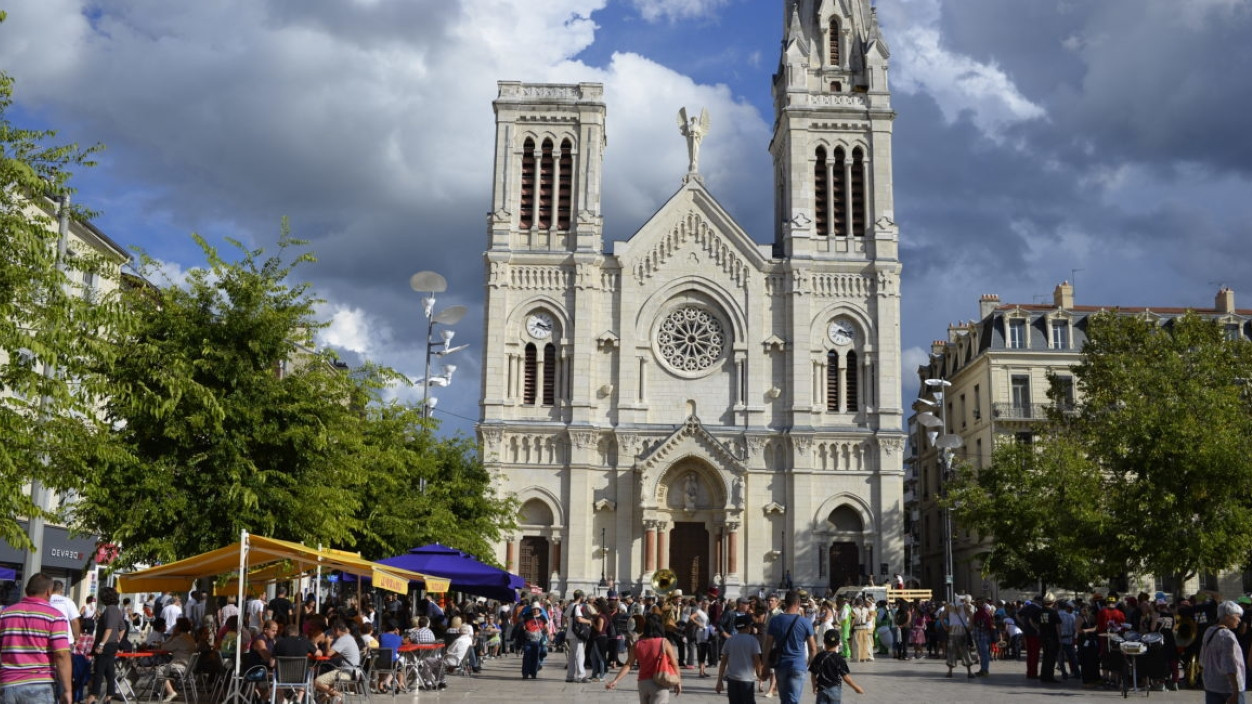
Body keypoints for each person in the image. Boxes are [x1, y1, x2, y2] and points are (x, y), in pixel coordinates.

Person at [0, 573, 73, 704]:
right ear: (49, 592)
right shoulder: (55, 616)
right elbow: (62, 654)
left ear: (27, 590)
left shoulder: (5, 614)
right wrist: (67, 690)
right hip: (39, 685)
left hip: (7, 685)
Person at [605, 614, 681, 703]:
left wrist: (615, 680)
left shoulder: (637, 644)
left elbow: (628, 665)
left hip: (643, 683)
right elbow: (674, 664)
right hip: (660, 682)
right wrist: (678, 681)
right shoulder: (664, 642)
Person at [762, 590, 818, 704]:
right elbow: (813, 648)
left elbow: (767, 645)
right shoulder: (805, 622)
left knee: (785, 700)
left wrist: (765, 665)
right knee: (793, 700)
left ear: (784, 603)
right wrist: (815, 670)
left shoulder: (775, 621)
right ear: (798, 603)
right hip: (798, 665)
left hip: (781, 665)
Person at [83, 587, 125, 704]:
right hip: (112, 645)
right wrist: (118, 639)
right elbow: (123, 628)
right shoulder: (116, 610)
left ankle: (93, 695)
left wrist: (101, 644)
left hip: (105, 645)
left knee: (99, 670)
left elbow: (109, 628)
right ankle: (109, 695)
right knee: (109, 671)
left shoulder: (110, 610)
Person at [1200, 600, 1245, 704]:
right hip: (1228, 688)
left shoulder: (1209, 631)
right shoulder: (1227, 636)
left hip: (1211, 685)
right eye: (1237, 616)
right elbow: (1229, 665)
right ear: (1227, 616)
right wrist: (1235, 692)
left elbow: (1202, 660)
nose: (1239, 620)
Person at [714, 613, 762, 704]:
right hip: (747, 679)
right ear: (748, 627)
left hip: (732, 679)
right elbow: (757, 661)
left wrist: (719, 681)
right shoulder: (753, 641)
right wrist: (760, 675)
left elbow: (723, 663)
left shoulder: (730, 640)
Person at [809, 629, 864, 704]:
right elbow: (846, 677)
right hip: (835, 689)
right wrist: (856, 687)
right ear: (838, 643)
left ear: (824, 642)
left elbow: (813, 674)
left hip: (821, 689)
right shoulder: (839, 659)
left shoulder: (819, 656)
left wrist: (814, 686)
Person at [313, 619, 360, 703]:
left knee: (316, 682)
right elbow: (333, 655)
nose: (332, 634)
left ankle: (339, 695)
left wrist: (328, 642)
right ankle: (321, 700)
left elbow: (328, 654)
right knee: (327, 686)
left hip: (346, 672)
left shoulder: (343, 639)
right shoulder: (349, 638)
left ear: (337, 630)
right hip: (354, 672)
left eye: (332, 631)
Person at [942, 596, 975, 679]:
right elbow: (971, 615)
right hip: (962, 630)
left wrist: (945, 626)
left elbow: (941, 616)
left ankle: (950, 671)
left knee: (951, 651)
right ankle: (969, 671)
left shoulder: (949, 606)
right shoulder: (965, 606)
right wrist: (970, 626)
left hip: (952, 630)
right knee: (965, 650)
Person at [564, 590, 591, 683]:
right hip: (576, 634)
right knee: (580, 655)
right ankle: (581, 675)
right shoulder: (577, 607)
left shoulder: (571, 605)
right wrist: (589, 621)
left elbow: (564, 617)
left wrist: (569, 625)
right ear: (580, 597)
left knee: (572, 655)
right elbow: (579, 619)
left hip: (570, 633)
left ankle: (570, 676)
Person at [48, 581, 82, 647]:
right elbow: (75, 621)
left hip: (47, 639)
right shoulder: (68, 601)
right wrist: (77, 638)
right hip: (65, 639)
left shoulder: (46, 600)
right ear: (61, 590)